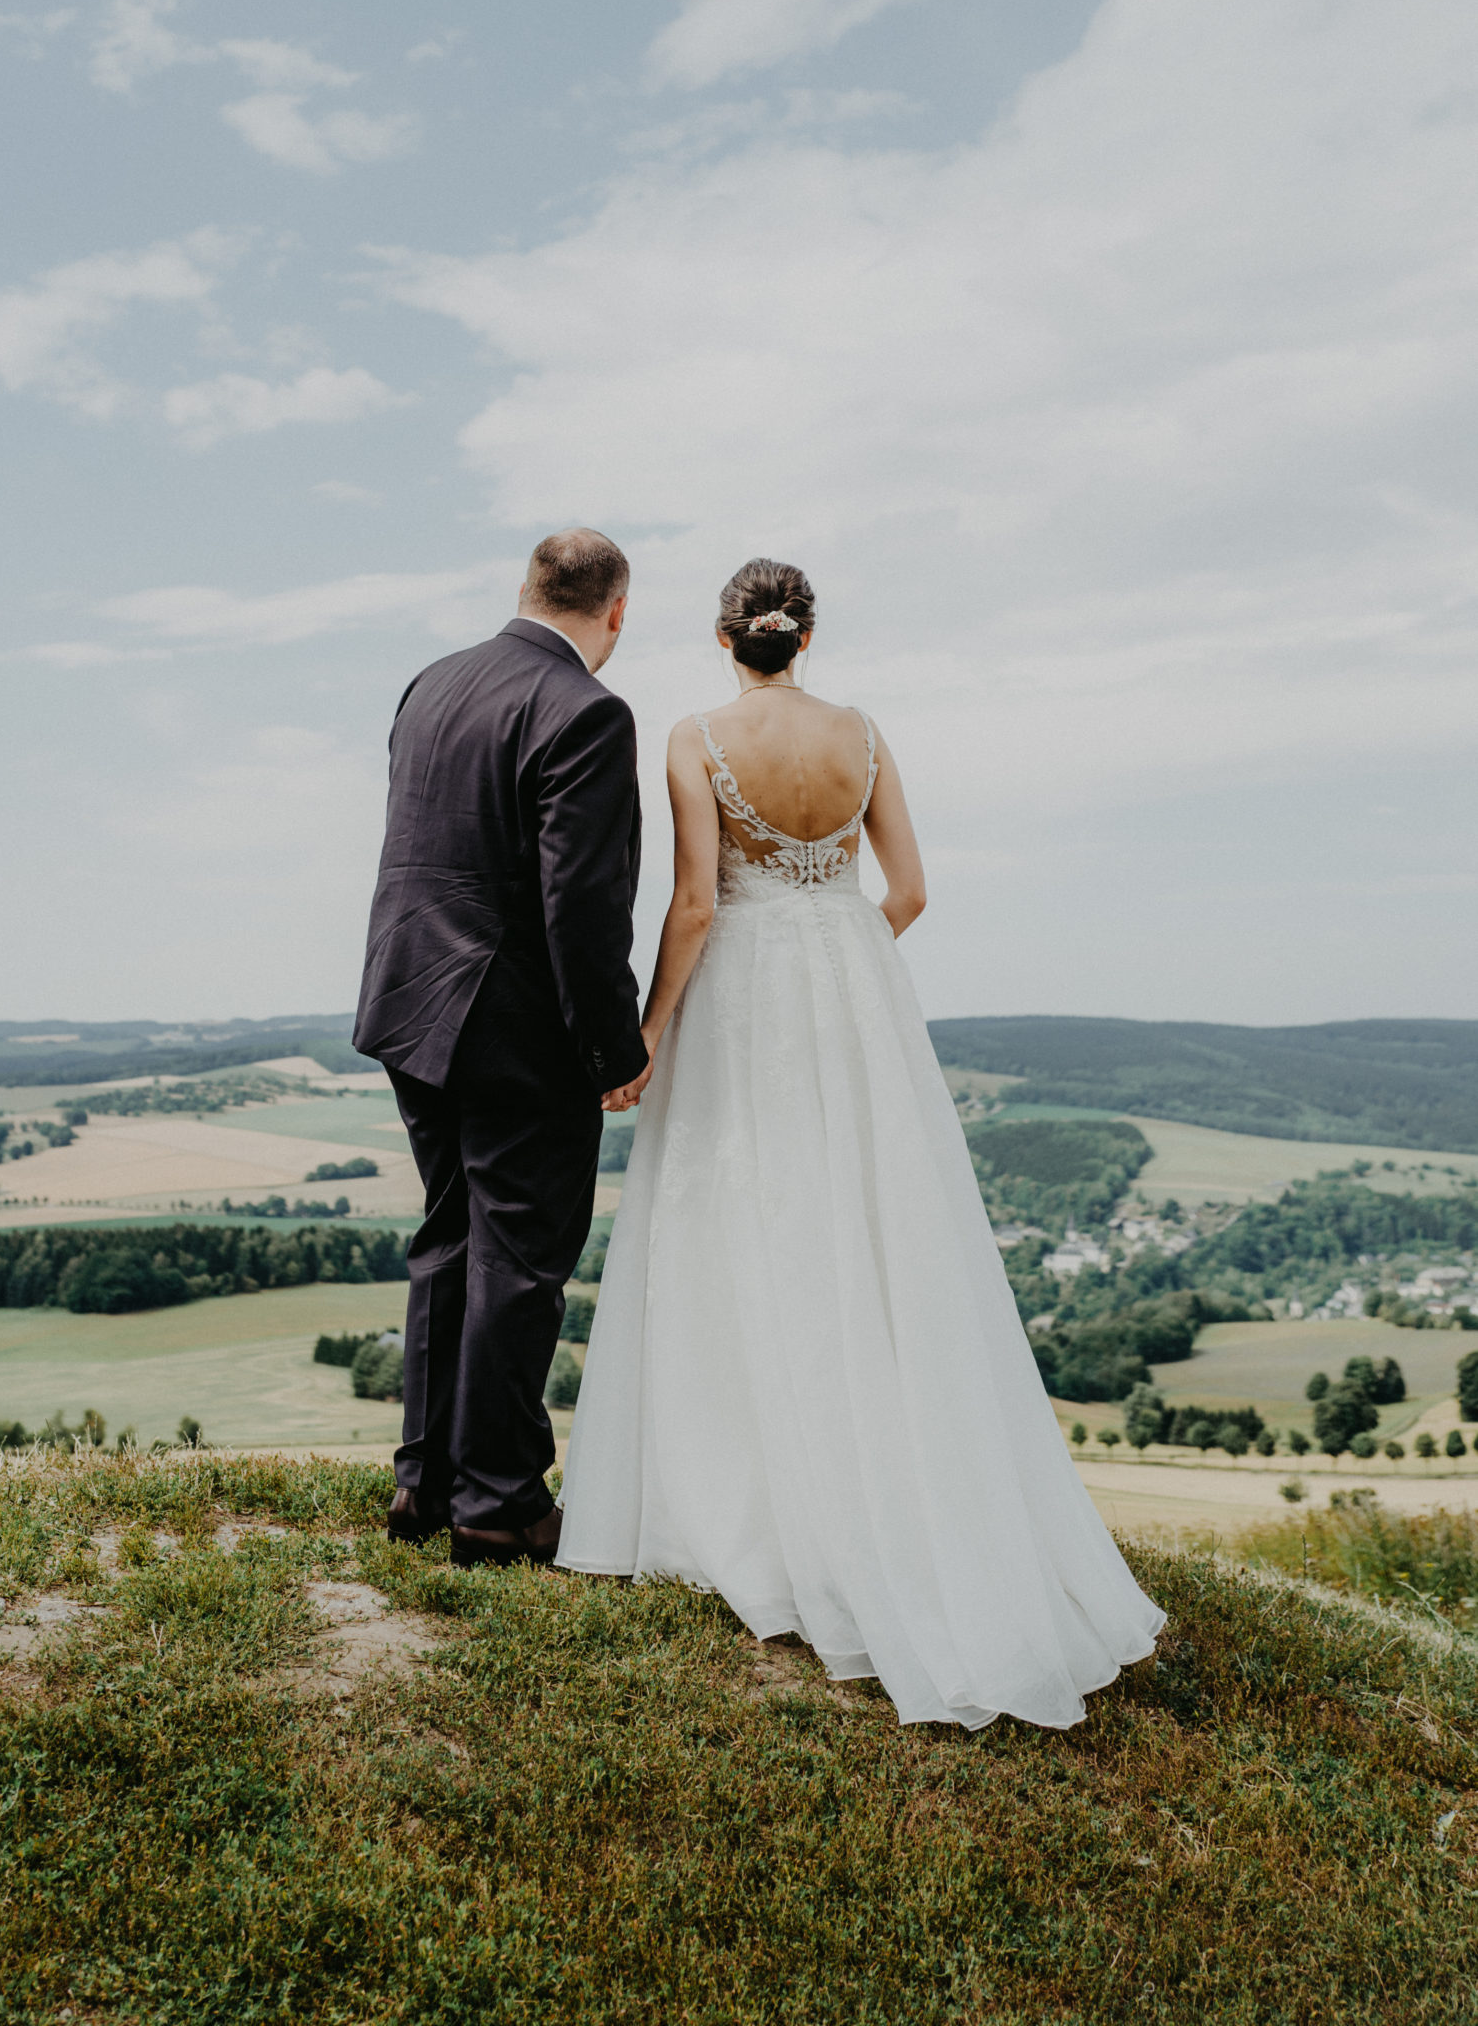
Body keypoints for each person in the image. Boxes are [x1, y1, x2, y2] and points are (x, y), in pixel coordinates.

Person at [558, 557, 1164, 1728]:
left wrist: (646, 1033)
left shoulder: (691, 734)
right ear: (805, 634)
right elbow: (913, 889)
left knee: (739, 1217)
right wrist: (837, 957)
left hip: (738, 995)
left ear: (725, 637)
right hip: (851, 989)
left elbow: (692, 904)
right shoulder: (863, 733)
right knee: (873, 1225)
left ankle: (754, 1502)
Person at [352, 527, 648, 1566]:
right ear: (616, 611)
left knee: (449, 1241)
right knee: (519, 1263)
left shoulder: (429, 685)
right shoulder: (587, 711)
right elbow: (583, 903)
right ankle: (497, 1504)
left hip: (408, 1001)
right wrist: (613, 1046)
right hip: (515, 1022)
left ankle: (421, 1484)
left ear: (525, 587)